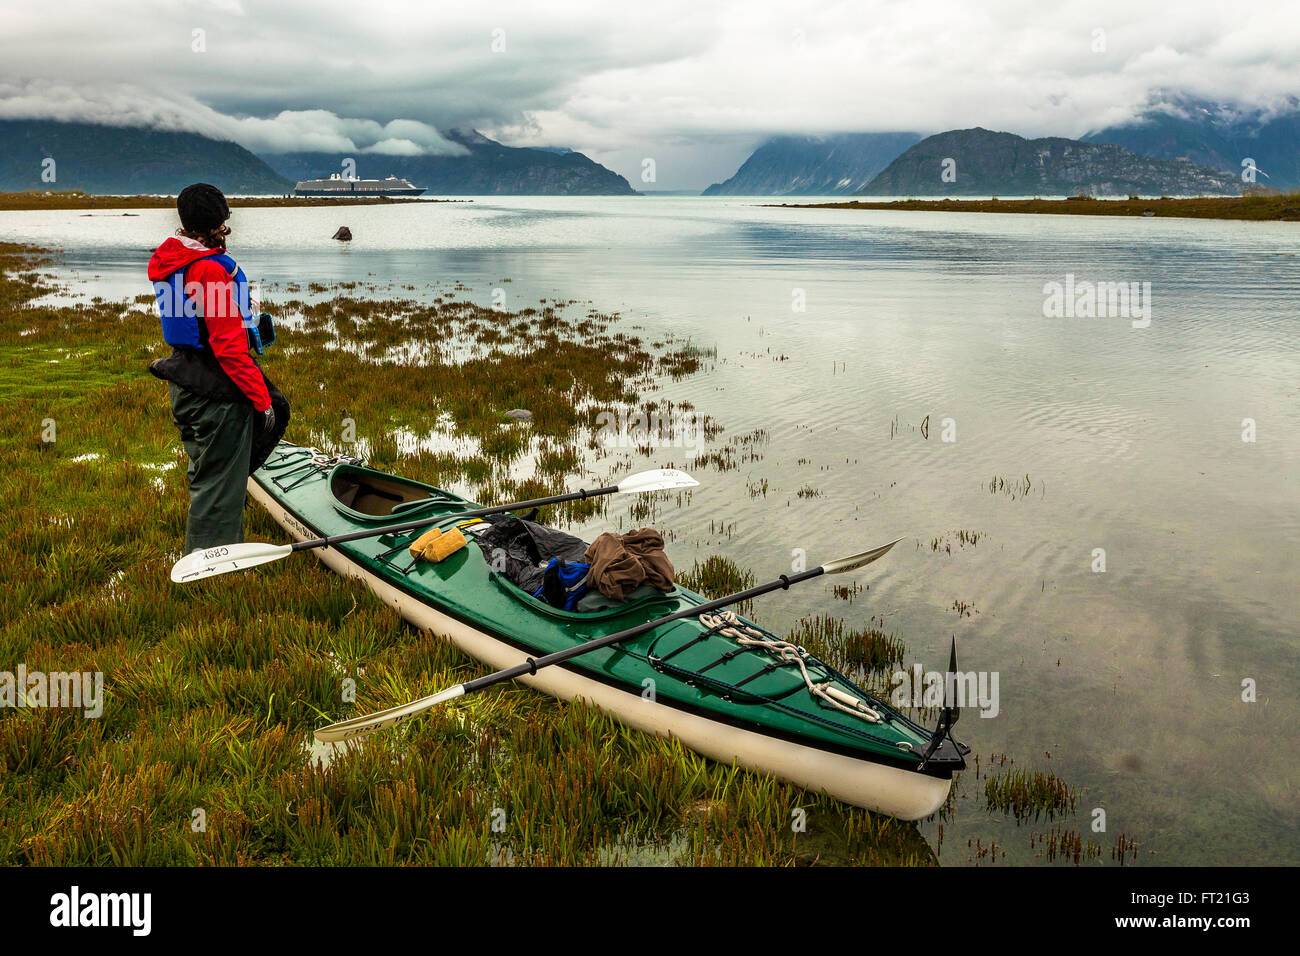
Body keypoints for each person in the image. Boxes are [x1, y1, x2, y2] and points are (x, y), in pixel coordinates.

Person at [147, 183, 289, 554]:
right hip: (215, 388)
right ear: (217, 223)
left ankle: (219, 529)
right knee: (219, 479)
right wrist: (262, 402)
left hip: (185, 380)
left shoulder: (174, 260)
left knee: (206, 468)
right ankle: (214, 568)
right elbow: (228, 349)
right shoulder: (209, 270)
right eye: (224, 220)